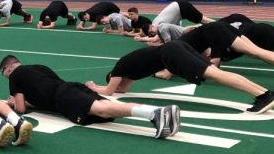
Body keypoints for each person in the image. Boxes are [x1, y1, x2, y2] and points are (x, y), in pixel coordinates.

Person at [0, 55, 180, 139]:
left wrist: (13, 102)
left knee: (103, 110)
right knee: (106, 112)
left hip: (63, 98)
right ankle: (160, 114)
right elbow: (44, 89)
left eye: (4, 74)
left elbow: (21, 109)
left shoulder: (15, 76)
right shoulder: (38, 66)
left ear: (8, 69)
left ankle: (155, 113)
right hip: (71, 87)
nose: (6, 77)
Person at [86, 41, 274, 114]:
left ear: (112, 75)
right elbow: (121, 90)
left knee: (216, 75)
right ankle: (264, 93)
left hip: (172, 53)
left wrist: (96, 88)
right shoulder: (130, 71)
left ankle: (263, 95)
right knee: (217, 74)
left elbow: (110, 91)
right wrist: (107, 87)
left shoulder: (120, 67)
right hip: (175, 48)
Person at [178, 21, 274, 66]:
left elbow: (214, 64)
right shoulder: (220, 52)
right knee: (259, 53)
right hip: (251, 33)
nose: (207, 57)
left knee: (258, 53)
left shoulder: (215, 43)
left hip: (259, 32)